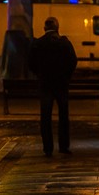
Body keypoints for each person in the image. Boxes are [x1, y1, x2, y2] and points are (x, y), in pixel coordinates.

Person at [28, 16, 78, 157]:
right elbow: (73, 61)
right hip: (61, 84)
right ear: (57, 28)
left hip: (45, 84)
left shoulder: (38, 44)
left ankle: (48, 148)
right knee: (63, 116)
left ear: (44, 29)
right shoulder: (64, 43)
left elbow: (30, 63)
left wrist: (40, 74)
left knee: (45, 117)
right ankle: (63, 146)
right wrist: (66, 75)